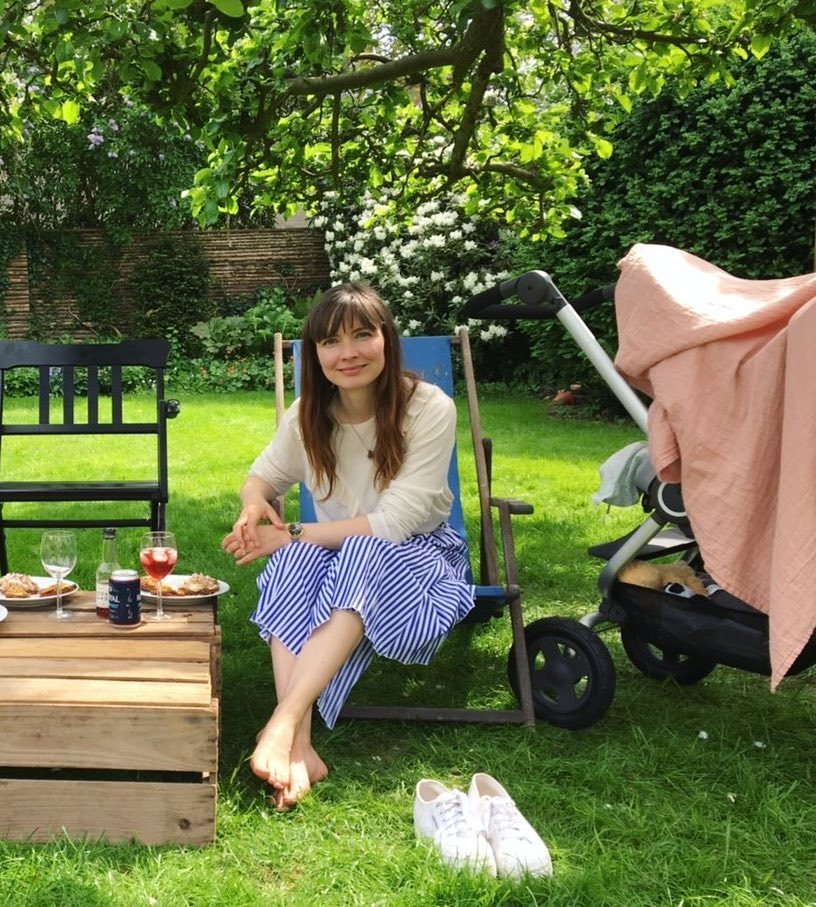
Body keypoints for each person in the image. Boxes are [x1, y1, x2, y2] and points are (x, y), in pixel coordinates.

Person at [222, 282, 475, 810]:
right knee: (293, 561)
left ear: (387, 339)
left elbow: (394, 524)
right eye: (331, 342)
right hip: (337, 554)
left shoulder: (428, 408)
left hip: (422, 560)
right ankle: (301, 746)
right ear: (316, 354)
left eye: (362, 335)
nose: (348, 353)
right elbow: (261, 477)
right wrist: (252, 506)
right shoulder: (308, 415)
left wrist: (288, 533)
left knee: (344, 548)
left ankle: (282, 723)